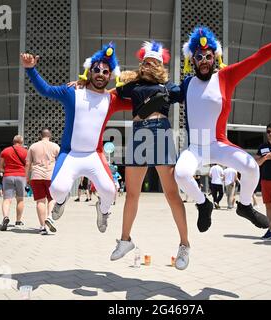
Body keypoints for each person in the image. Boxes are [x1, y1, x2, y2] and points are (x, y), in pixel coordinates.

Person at [174, 16, 271, 233]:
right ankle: (203, 204)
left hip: (219, 144)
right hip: (195, 148)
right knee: (180, 174)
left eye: (208, 56)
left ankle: (244, 206)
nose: (204, 60)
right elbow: (158, 92)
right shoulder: (187, 84)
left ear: (215, 58)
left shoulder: (226, 77)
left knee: (252, 167)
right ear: (192, 60)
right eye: (199, 56)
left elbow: (259, 57)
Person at [21, 43, 132, 234]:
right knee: (56, 190)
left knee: (110, 190)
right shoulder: (72, 92)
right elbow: (46, 90)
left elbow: (136, 103)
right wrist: (31, 69)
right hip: (70, 154)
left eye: (105, 72)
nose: (100, 74)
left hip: (94, 155)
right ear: (89, 71)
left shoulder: (111, 100)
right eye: (96, 69)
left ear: (110, 76)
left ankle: (103, 211)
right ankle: (61, 202)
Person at [108, 41, 191, 271]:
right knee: (132, 193)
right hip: (138, 133)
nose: (148, 65)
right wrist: (84, 84)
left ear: (160, 65)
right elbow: (111, 92)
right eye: (145, 62)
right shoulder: (132, 86)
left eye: (153, 62)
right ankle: (125, 240)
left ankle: (184, 245)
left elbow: (189, 90)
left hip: (161, 131)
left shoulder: (169, 87)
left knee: (172, 193)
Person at [25, 128, 60, 235]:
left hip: (36, 176)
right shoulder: (55, 146)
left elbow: (27, 164)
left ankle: (42, 227)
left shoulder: (33, 146)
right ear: (50, 135)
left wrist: (27, 177)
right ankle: (49, 217)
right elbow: (61, 162)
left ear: (40, 135)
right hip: (51, 176)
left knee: (40, 201)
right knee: (52, 198)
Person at [0, 135, 28, 231]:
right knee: (20, 199)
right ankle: (18, 221)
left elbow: (1, 167)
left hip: (8, 176)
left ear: (13, 141)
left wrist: (5, 170)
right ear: (22, 142)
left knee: (7, 199)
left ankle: (5, 217)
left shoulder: (5, 151)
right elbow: (28, 165)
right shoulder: (25, 152)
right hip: (21, 176)